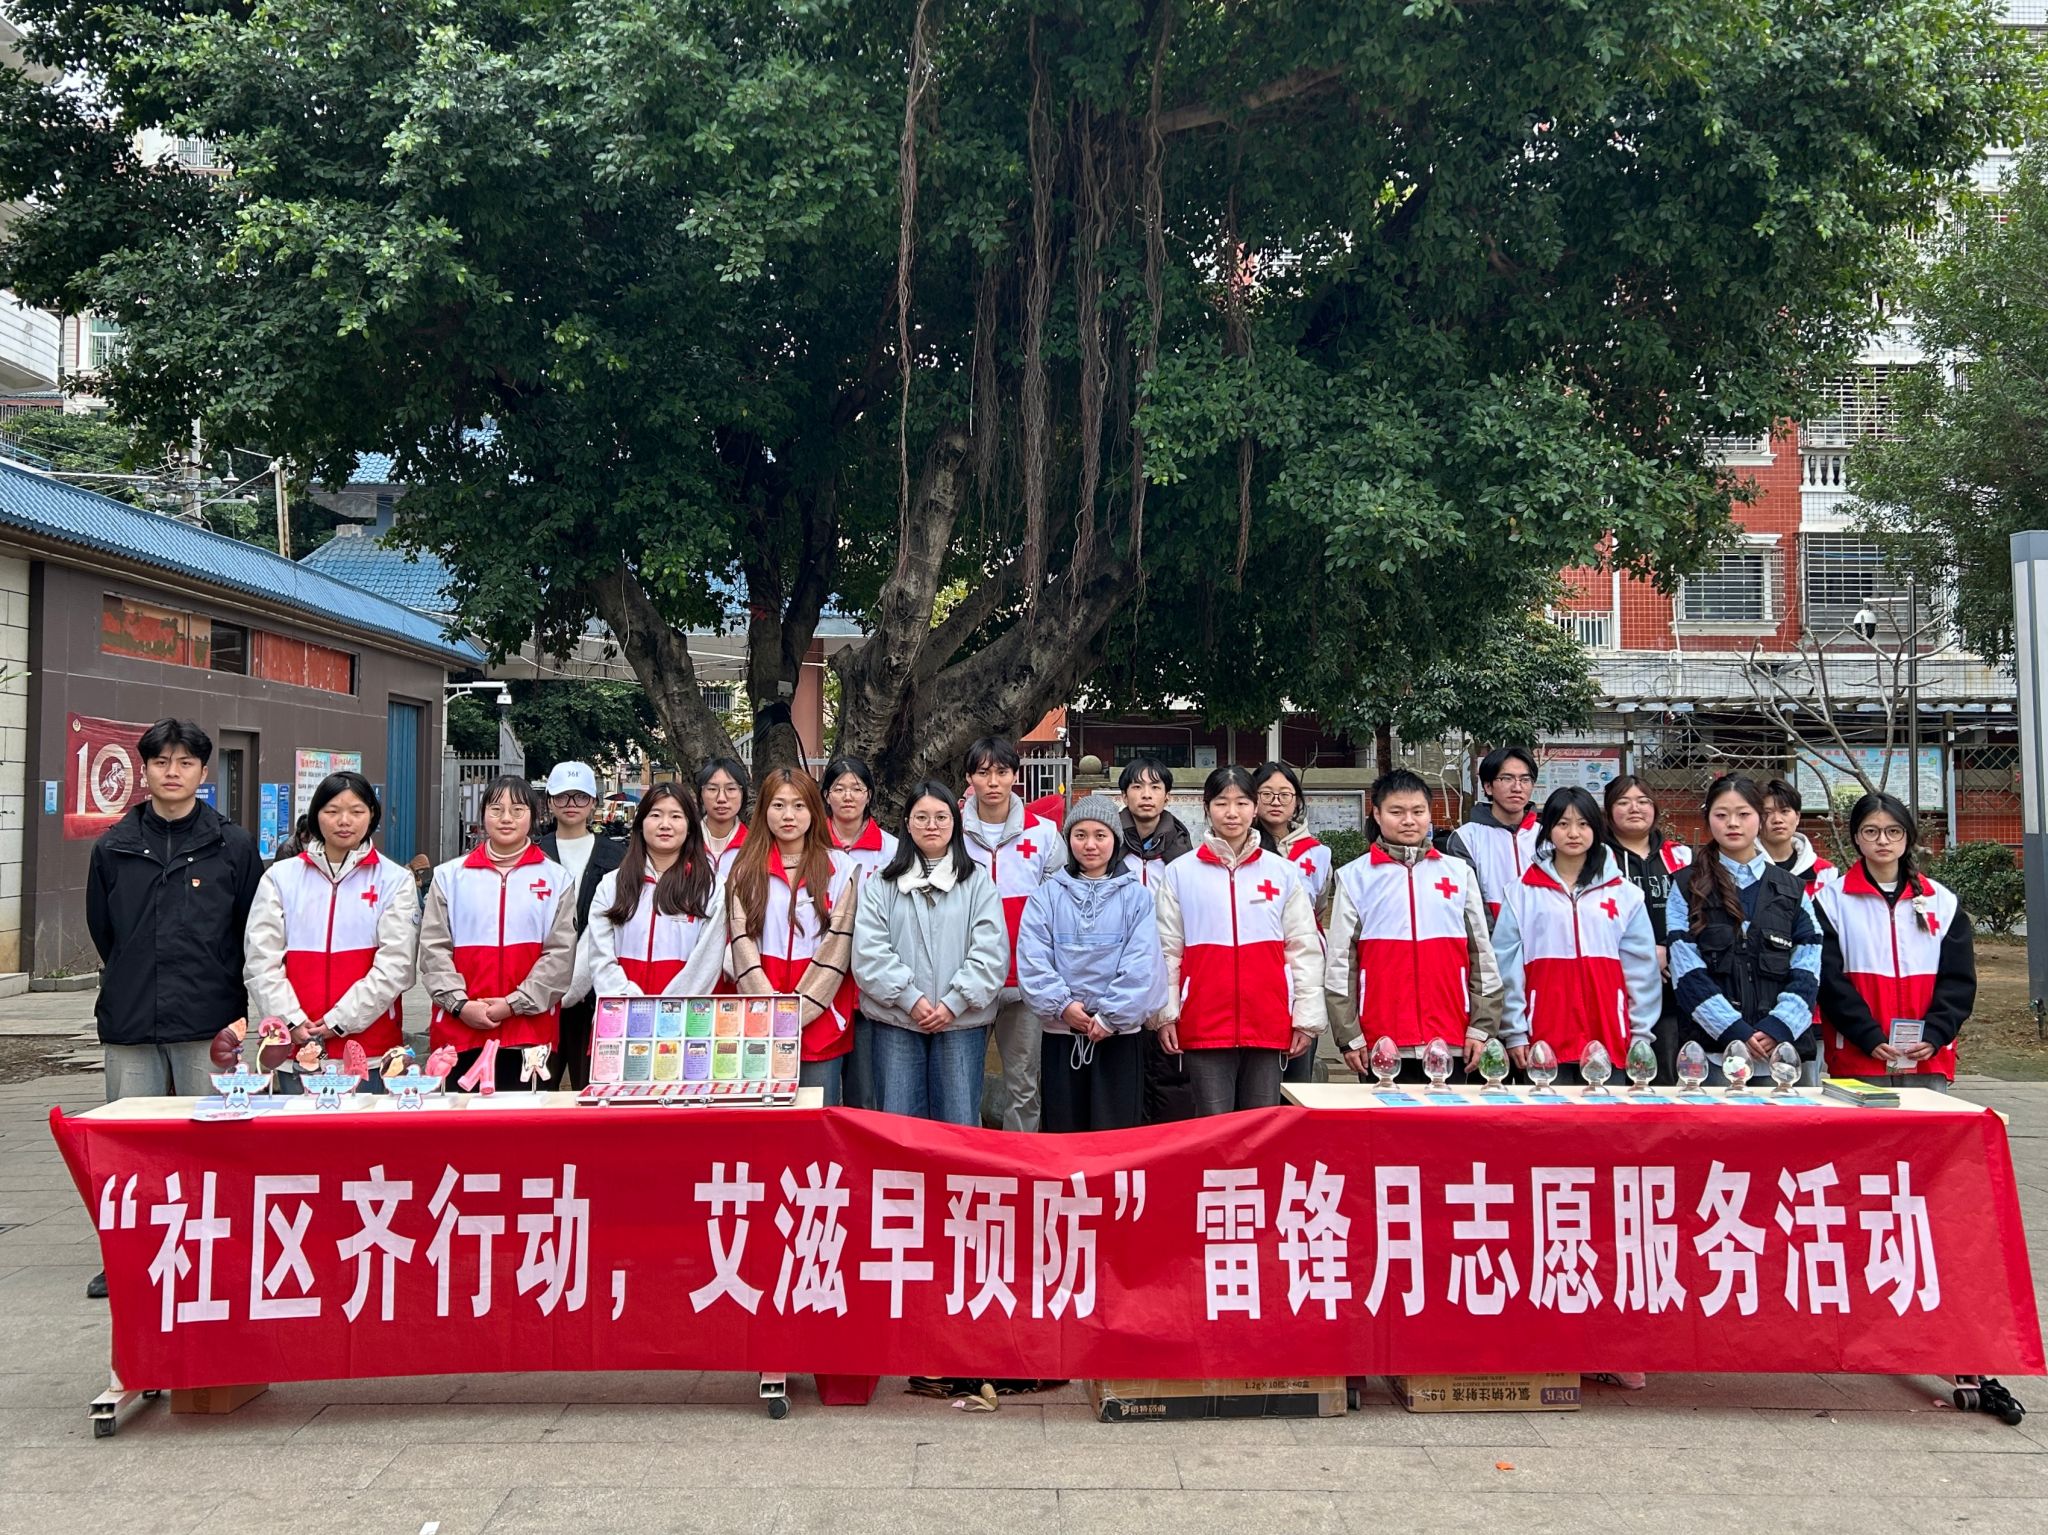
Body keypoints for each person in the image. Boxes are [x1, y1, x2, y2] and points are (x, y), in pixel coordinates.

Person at [84, 718, 261, 1298]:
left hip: (209, 1020)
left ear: (203, 772)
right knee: (129, 1145)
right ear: (146, 770)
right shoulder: (113, 845)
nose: (172, 772)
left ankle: (219, 1252)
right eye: (161, 762)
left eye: (185, 762)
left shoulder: (232, 845)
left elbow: (249, 930)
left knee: (215, 1142)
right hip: (131, 1018)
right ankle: (128, 1255)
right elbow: (104, 931)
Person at [1154, 765, 1322, 1115]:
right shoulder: (1180, 872)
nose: (1232, 812)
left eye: (1242, 803)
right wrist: (1166, 1014)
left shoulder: (1282, 872)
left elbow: (1302, 948)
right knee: (1213, 1125)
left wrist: (1305, 1017)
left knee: (1261, 1124)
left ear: (1255, 808)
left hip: (1269, 1018)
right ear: (1206, 807)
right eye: (1221, 803)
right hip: (1203, 1019)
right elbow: (1167, 950)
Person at [243, 771, 418, 1089]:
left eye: (356, 811)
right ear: (316, 815)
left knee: (366, 1123)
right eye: (332, 811)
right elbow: (260, 959)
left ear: (372, 815)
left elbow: (397, 965)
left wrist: (339, 1021)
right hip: (296, 1047)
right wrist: (292, 1020)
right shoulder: (280, 877)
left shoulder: (394, 880)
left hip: (371, 1050)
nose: (344, 821)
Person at [1326, 769, 1502, 1085]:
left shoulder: (1458, 874)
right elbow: (1340, 963)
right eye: (1397, 812)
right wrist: (1348, 1034)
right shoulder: (1354, 877)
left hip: (1451, 1036)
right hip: (1381, 1040)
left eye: (1418, 811)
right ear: (1377, 814)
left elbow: (1482, 956)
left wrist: (1482, 1027)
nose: (1409, 820)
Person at [852, 781, 1009, 1125]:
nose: (931, 825)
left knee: (958, 1124)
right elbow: (869, 951)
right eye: (921, 817)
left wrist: (954, 1002)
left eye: (941, 817)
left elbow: (991, 951)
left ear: (955, 821)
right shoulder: (882, 883)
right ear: (907, 824)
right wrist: (910, 999)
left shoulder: (977, 882)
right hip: (897, 1020)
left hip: (960, 1022)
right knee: (899, 1125)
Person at [418, 775, 577, 1091]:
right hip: (459, 1033)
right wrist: (460, 1005)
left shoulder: (557, 879)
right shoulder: (449, 877)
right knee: (461, 1120)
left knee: (526, 1120)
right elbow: (433, 949)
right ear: (483, 815)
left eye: (517, 810)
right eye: (496, 809)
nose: (506, 818)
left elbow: (561, 955)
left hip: (529, 1036)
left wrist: (514, 1004)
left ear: (534, 816)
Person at [1016, 795, 1165, 1132]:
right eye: (1080, 835)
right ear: (1068, 839)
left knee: (1115, 1136)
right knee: (1064, 1133)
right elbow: (1033, 958)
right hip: (1062, 1034)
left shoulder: (1136, 896)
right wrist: (1063, 1006)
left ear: (1115, 839)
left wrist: (1111, 1016)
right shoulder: (1047, 896)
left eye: (1100, 835)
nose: (1090, 845)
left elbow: (1143, 963)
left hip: (1118, 1037)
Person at [1494, 787, 1661, 1081]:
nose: (1573, 833)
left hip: (1610, 1034)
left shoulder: (1625, 894)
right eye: (1563, 824)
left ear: (1596, 828)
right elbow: (1506, 965)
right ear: (1548, 829)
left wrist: (1640, 1033)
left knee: (1607, 1110)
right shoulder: (1520, 893)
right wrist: (1515, 1031)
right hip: (1543, 1036)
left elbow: (1642, 969)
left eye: (1583, 824)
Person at [1667, 774, 1824, 1084]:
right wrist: (1733, 1030)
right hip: (1712, 1056)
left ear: (1760, 818)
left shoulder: (1792, 888)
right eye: (1721, 815)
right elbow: (1685, 969)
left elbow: (1809, 966)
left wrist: (1778, 1026)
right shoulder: (1686, 885)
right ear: (1708, 819)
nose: (1732, 823)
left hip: (1779, 1056)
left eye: (1743, 814)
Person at [1815, 793, 1974, 1090]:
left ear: (1907, 836)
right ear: (1856, 838)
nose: (1883, 840)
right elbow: (1828, 980)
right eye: (1871, 831)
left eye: (1893, 831)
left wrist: (1935, 1033)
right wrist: (1867, 1034)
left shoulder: (1942, 901)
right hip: (1858, 1055)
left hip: (1926, 1056)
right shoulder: (1831, 902)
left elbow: (1959, 980)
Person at [725, 770, 860, 1104]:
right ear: (763, 811)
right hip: (759, 1020)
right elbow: (741, 945)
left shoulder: (841, 868)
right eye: (779, 805)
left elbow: (838, 947)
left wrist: (800, 1011)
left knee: (816, 1120)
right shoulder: (743, 871)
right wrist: (771, 1008)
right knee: (764, 1122)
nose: (789, 815)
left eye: (799, 806)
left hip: (822, 1023)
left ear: (814, 811)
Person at [959, 736, 1061, 1131]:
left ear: (1015, 776)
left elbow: (1058, 907)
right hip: (966, 980)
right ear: (970, 778)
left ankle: (1021, 1160)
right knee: (962, 1086)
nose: (993, 782)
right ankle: (965, 1160)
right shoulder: (951, 834)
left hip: (1026, 981)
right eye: (983, 772)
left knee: (1024, 1085)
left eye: (1001, 772)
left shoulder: (1044, 833)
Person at [583, 782, 728, 997]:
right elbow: (600, 957)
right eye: (656, 815)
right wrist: (630, 1002)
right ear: (641, 824)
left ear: (690, 826)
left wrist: (668, 1009)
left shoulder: (711, 888)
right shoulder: (612, 885)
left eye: (676, 816)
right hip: (621, 1012)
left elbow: (706, 965)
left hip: (686, 1014)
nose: (665, 824)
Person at [537, 760, 624, 1088]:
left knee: (594, 1086)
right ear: (550, 802)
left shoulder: (617, 856)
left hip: (596, 991)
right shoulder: (535, 854)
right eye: (562, 796)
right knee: (538, 1087)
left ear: (593, 803)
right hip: (541, 989)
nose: (571, 804)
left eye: (580, 796)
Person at [1604, 775, 1693, 1080]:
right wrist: (1641, 954)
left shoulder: (1680, 856)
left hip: (1672, 984)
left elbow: (1699, 913)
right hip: (1616, 981)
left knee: (1667, 1072)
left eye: (1643, 801)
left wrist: (1669, 949)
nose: (1635, 808)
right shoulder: (1598, 859)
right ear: (1608, 810)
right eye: (1623, 802)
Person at [821, 754, 898, 1109]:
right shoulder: (810, 844)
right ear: (826, 795)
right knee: (821, 1089)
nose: (848, 796)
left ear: (869, 795)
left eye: (857, 788)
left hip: (870, 978)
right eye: (839, 788)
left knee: (865, 1089)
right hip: (821, 976)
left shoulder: (892, 850)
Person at [1253, 760, 1332, 1086]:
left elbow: (1320, 905)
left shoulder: (1319, 854)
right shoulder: (1244, 850)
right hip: (1258, 961)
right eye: (1266, 793)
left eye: (1284, 794)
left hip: (1302, 964)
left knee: (1299, 1065)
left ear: (1297, 801)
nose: (1276, 801)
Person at [1448, 746, 1541, 924]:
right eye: (1507, 778)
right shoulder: (1466, 838)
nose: (1517, 787)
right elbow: (1469, 903)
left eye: (1525, 779)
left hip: (1542, 937)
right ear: (1488, 787)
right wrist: (1498, 937)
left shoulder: (1546, 836)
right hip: (1491, 938)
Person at [1116, 756, 1192, 884]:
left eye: (1155, 787)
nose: (1146, 795)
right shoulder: (1110, 841)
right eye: (1137, 787)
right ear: (1124, 796)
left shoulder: (1180, 846)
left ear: (1167, 797)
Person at [1760, 777, 1836, 896]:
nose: (1777, 819)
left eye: (1784, 811)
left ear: (1797, 817)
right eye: (1767, 813)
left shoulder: (1826, 873)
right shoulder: (1742, 871)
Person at [696, 757, 751, 869]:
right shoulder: (685, 842)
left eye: (731, 789)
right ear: (701, 795)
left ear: (743, 794)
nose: (721, 798)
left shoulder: (754, 846)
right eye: (712, 789)